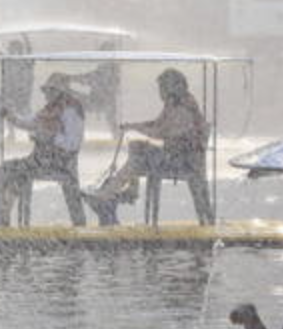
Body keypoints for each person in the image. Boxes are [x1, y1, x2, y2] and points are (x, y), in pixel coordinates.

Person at [82, 68, 209, 226]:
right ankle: (120, 192)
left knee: (139, 154)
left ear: (172, 88)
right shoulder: (173, 104)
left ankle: (114, 193)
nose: (160, 92)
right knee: (137, 147)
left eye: (162, 88)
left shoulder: (184, 108)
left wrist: (137, 130)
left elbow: (160, 132)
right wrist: (132, 126)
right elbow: (156, 123)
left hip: (184, 162)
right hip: (174, 156)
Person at [0, 72, 86, 228]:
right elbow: (29, 124)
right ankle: (2, 217)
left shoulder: (71, 111)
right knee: (6, 169)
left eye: (51, 90)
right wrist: (10, 116)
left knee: (17, 172)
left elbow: (73, 144)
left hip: (60, 164)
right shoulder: (48, 110)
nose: (47, 94)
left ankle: (4, 218)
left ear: (61, 92)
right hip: (38, 160)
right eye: (46, 91)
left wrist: (50, 138)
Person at [68, 40, 121, 134]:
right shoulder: (109, 67)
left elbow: (93, 78)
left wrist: (72, 78)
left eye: (103, 52)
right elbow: (92, 77)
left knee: (71, 99)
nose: (100, 56)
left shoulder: (109, 68)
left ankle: (73, 133)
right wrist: (73, 78)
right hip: (103, 101)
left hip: (99, 102)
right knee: (112, 123)